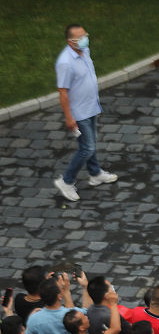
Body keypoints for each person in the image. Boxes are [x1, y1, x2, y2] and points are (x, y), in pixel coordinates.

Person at [53, 24, 117, 201]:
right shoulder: (65, 62)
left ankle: (95, 173)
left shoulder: (85, 51)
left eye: (85, 35)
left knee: (91, 142)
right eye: (80, 38)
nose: (84, 39)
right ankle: (66, 181)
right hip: (78, 112)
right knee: (86, 148)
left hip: (91, 107)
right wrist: (69, 117)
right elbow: (63, 92)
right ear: (70, 41)